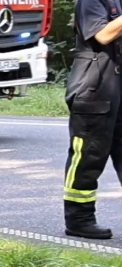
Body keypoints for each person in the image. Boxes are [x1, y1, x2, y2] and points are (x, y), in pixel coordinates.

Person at [61, 0, 122, 239]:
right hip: (94, 88)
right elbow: (103, 35)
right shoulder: (91, 1)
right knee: (88, 156)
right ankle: (79, 219)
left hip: (117, 85)